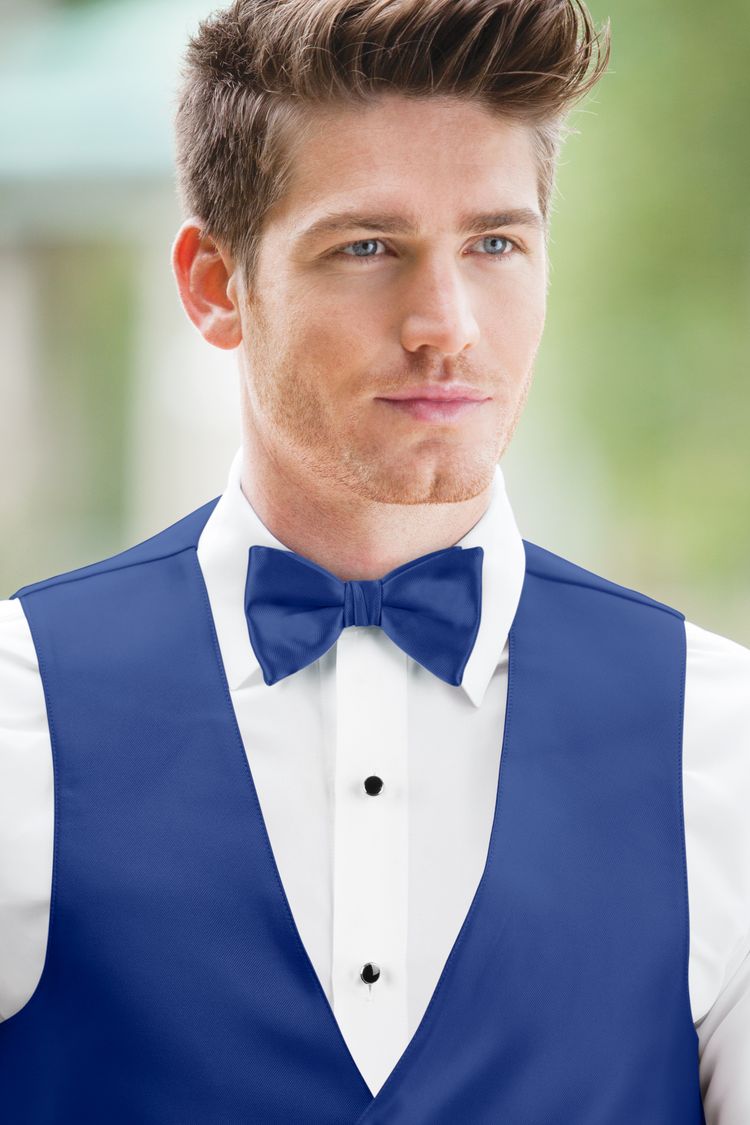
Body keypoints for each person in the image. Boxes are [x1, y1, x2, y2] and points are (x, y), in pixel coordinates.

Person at [0, 0, 747, 1120]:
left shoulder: (723, 739)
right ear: (215, 285)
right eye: (367, 248)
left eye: (494, 243)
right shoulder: (17, 718)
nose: (445, 322)